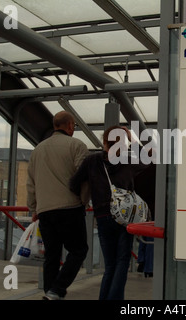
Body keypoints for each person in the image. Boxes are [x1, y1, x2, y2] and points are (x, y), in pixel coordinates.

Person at [70, 125, 149, 300]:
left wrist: (86, 198)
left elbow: (74, 183)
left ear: (104, 141)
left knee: (111, 265)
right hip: (125, 217)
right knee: (122, 262)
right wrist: (132, 138)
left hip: (103, 214)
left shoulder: (92, 161)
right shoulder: (129, 160)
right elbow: (147, 160)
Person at [27, 111, 90, 300]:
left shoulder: (37, 150)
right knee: (79, 250)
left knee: (51, 256)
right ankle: (57, 289)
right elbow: (84, 178)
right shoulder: (77, 146)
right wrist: (83, 202)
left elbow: (30, 184)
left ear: (55, 125)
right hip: (70, 208)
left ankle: (50, 293)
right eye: (74, 126)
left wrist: (34, 208)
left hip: (45, 211)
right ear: (70, 125)